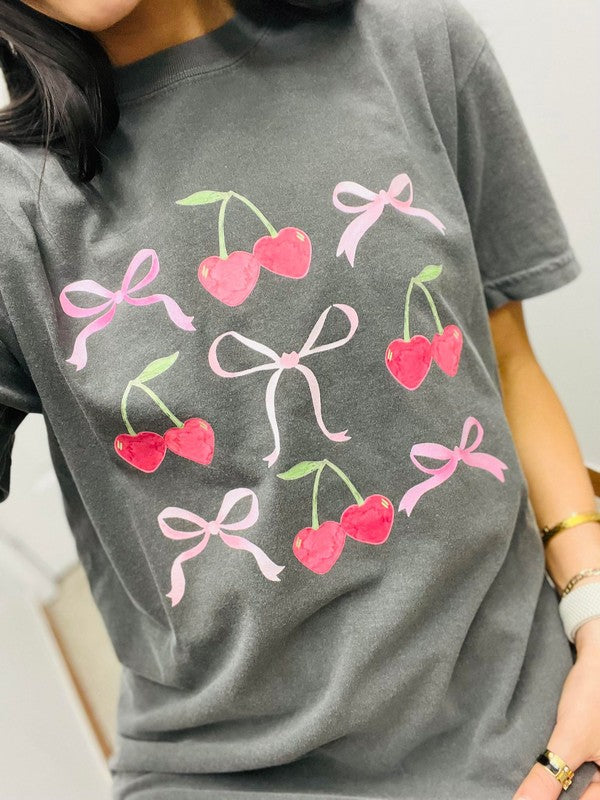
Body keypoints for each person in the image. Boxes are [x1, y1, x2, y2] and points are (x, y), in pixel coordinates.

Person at [0, 0, 599, 798]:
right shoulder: (14, 210)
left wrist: (593, 617)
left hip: (538, 732)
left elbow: (509, 360)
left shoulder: (415, 44)